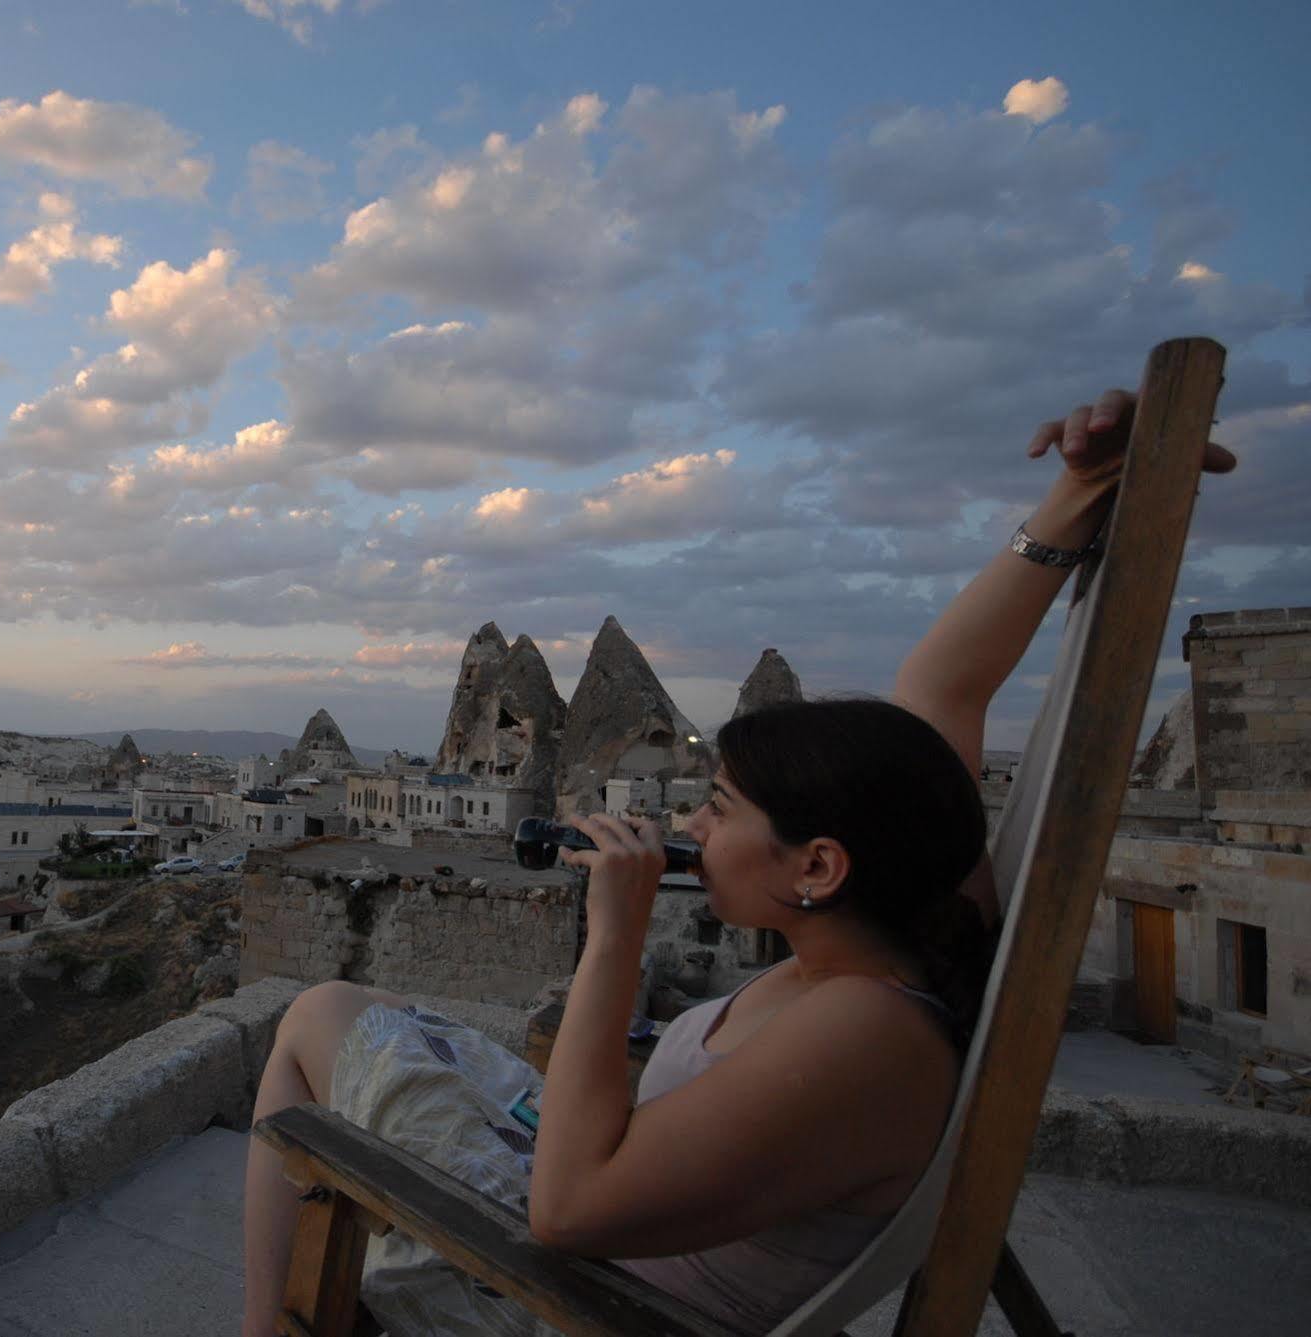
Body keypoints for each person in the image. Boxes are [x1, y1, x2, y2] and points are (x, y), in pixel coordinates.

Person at [240, 389, 1237, 1336]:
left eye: (717, 808)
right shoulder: (910, 914)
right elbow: (942, 686)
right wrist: (1078, 494)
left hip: (559, 1294)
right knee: (336, 1011)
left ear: (817, 864)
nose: (692, 825)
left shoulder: (864, 1029)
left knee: (311, 1023)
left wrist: (615, 935)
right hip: (615, 1196)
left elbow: (568, 1210)